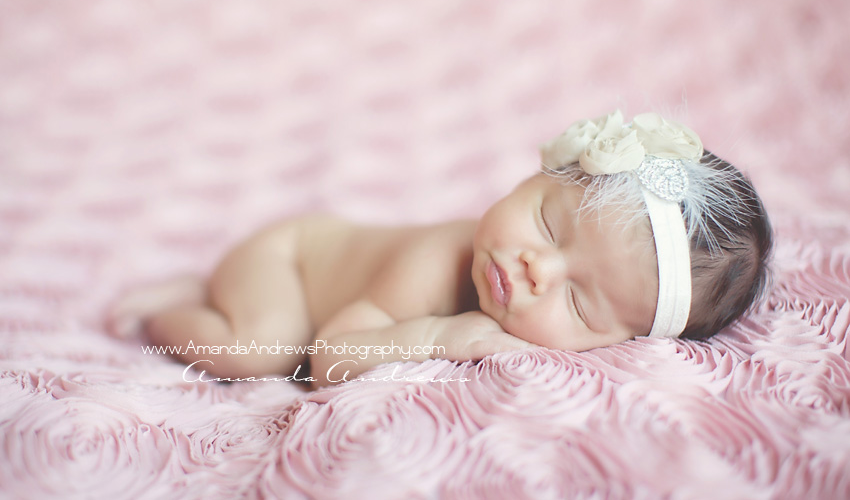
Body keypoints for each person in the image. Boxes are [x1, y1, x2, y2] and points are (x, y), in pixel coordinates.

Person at [111, 111, 773, 388]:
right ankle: (176, 304)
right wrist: (438, 334)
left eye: (578, 301)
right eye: (546, 223)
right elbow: (326, 358)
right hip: (287, 258)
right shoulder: (440, 264)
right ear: (535, 176)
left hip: (309, 258)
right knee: (264, 351)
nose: (535, 268)